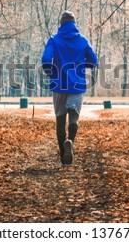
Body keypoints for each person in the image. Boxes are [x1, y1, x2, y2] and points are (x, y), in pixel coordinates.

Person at [41, 11, 98, 165]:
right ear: (74, 23)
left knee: (60, 120)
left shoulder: (54, 39)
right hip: (77, 85)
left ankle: (62, 158)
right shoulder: (82, 40)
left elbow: (46, 60)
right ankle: (70, 141)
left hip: (58, 85)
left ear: (61, 23)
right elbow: (93, 61)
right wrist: (81, 64)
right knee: (74, 116)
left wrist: (51, 72)